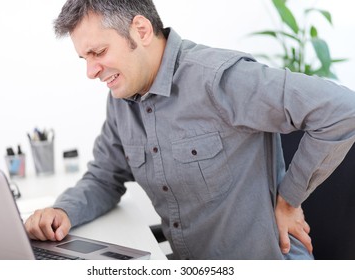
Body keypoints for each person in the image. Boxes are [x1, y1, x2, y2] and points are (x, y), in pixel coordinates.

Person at [25, 0, 355, 260]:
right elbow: (104, 177)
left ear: (140, 31)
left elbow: (342, 109)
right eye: (84, 57)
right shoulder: (122, 99)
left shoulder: (220, 79)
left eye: (97, 52)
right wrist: (62, 211)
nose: (90, 71)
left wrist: (289, 200)